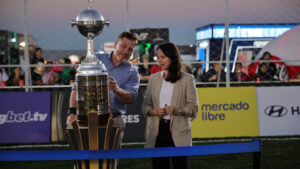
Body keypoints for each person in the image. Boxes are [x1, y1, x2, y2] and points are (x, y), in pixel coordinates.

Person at [66, 31, 139, 169]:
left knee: (109, 164)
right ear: (116, 44)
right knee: (83, 162)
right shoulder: (95, 59)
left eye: (130, 49)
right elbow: (76, 87)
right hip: (88, 117)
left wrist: (117, 89)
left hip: (114, 119)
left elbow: (131, 98)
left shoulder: (133, 71)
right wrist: (71, 112)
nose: (125, 51)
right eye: (123, 46)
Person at [142, 42, 198, 169]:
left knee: (180, 166)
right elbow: (145, 107)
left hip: (179, 131)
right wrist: (154, 112)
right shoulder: (153, 79)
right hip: (157, 131)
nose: (159, 60)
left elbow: (193, 109)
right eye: (157, 57)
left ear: (172, 57)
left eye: (163, 57)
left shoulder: (187, 79)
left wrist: (176, 110)